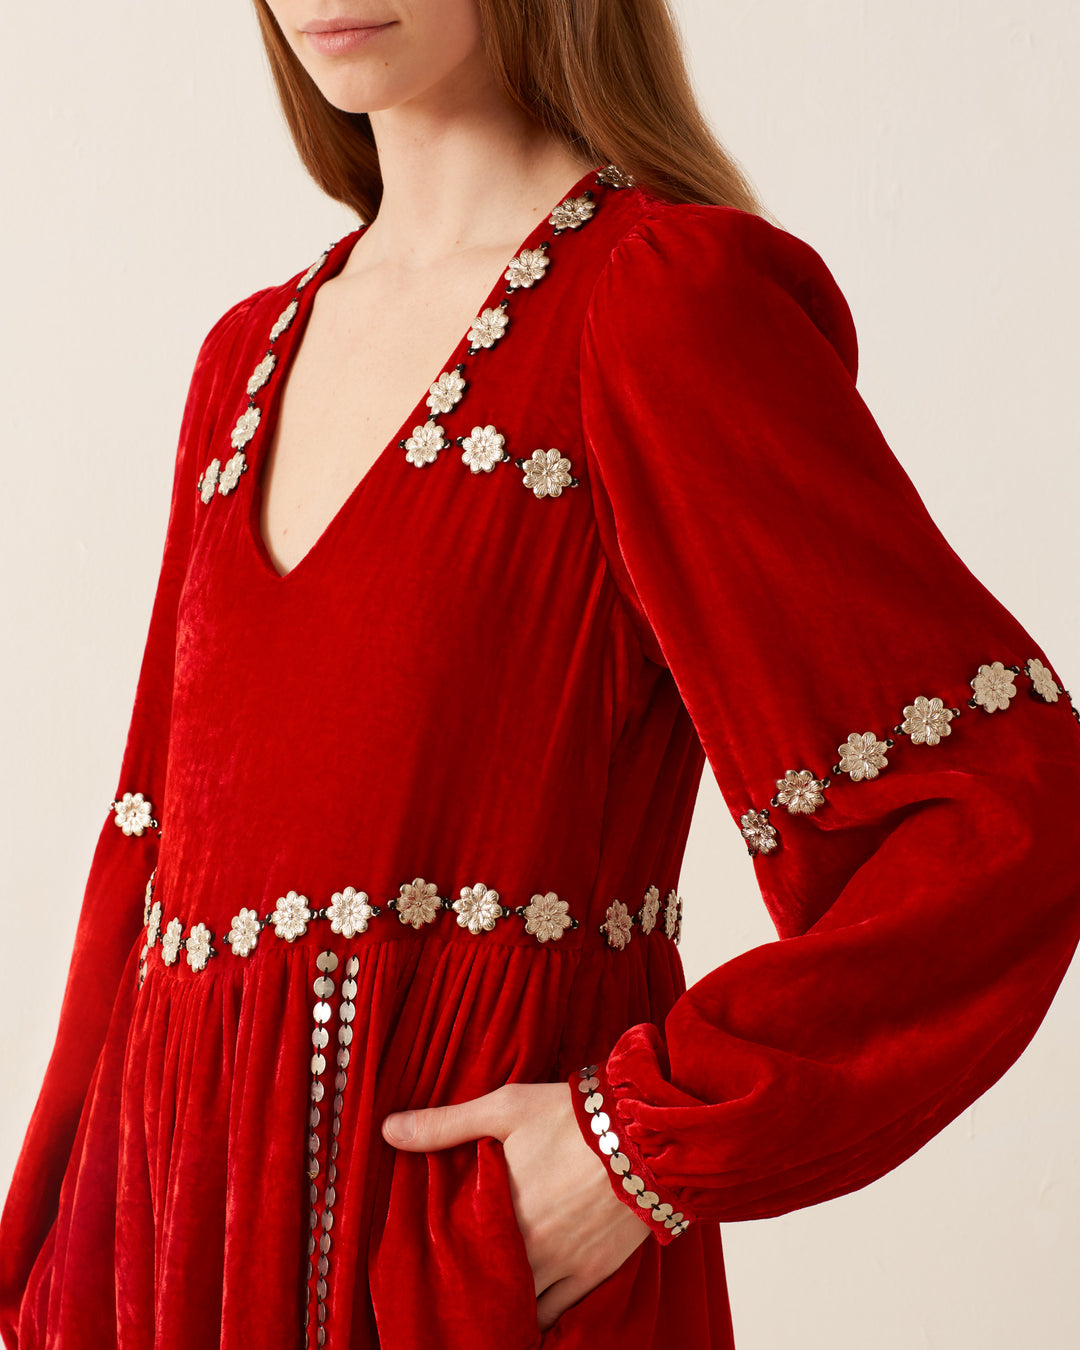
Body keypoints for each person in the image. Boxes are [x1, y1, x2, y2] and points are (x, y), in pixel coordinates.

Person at [2, 1, 1079, 1347]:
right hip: (170, 1265)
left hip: (469, 1276)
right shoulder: (242, 360)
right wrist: (52, 1268)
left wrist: (636, 1147)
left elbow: (1004, 815)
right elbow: (150, 861)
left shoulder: (658, 304)